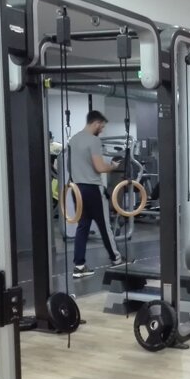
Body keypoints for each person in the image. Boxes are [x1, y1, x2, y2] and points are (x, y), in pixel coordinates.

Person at [69, 110, 124, 278]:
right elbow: (99, 168)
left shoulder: (73, 139)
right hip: (92, 189)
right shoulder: (94, 141)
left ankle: (79, 266)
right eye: (102, 126)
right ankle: (116, 259)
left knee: (83, 226)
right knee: (104, 226)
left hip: (77, 189)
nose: (102, 129)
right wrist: (113, 166)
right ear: (96, 123)